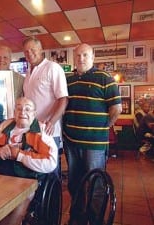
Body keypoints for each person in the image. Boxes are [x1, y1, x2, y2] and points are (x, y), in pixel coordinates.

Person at [63, 43, 122, 224]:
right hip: (71, 141)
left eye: (85, 55)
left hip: (95, 143)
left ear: (93, 57)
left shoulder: (104, 77)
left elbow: (116, 108)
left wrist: (104, 127)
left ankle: (95, 220)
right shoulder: (67, 79)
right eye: (78, 55)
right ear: (74, 57)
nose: (81, 58)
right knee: (74, 182)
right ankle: (77, 218)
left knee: (96, 183)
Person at [0, 97, 58, 225]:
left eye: (27, 109)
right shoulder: (5, 126)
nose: (22, 112)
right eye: (19, 108)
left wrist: (20, 155)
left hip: (26, 180)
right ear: (14, 111)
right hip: (1, 177)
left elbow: (51, 162)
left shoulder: (41, 130)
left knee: (19, 202)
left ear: (34, 113)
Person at [22, 36, 68, 150]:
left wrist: (51, 122)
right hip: (31, 130)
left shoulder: (53, 68)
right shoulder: (27, 73)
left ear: (41, 49)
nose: (29, 53)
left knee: (50, 167)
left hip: (49, 131)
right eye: (26, 51)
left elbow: (63, 99)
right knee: (33, 165)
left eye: (33, 50)